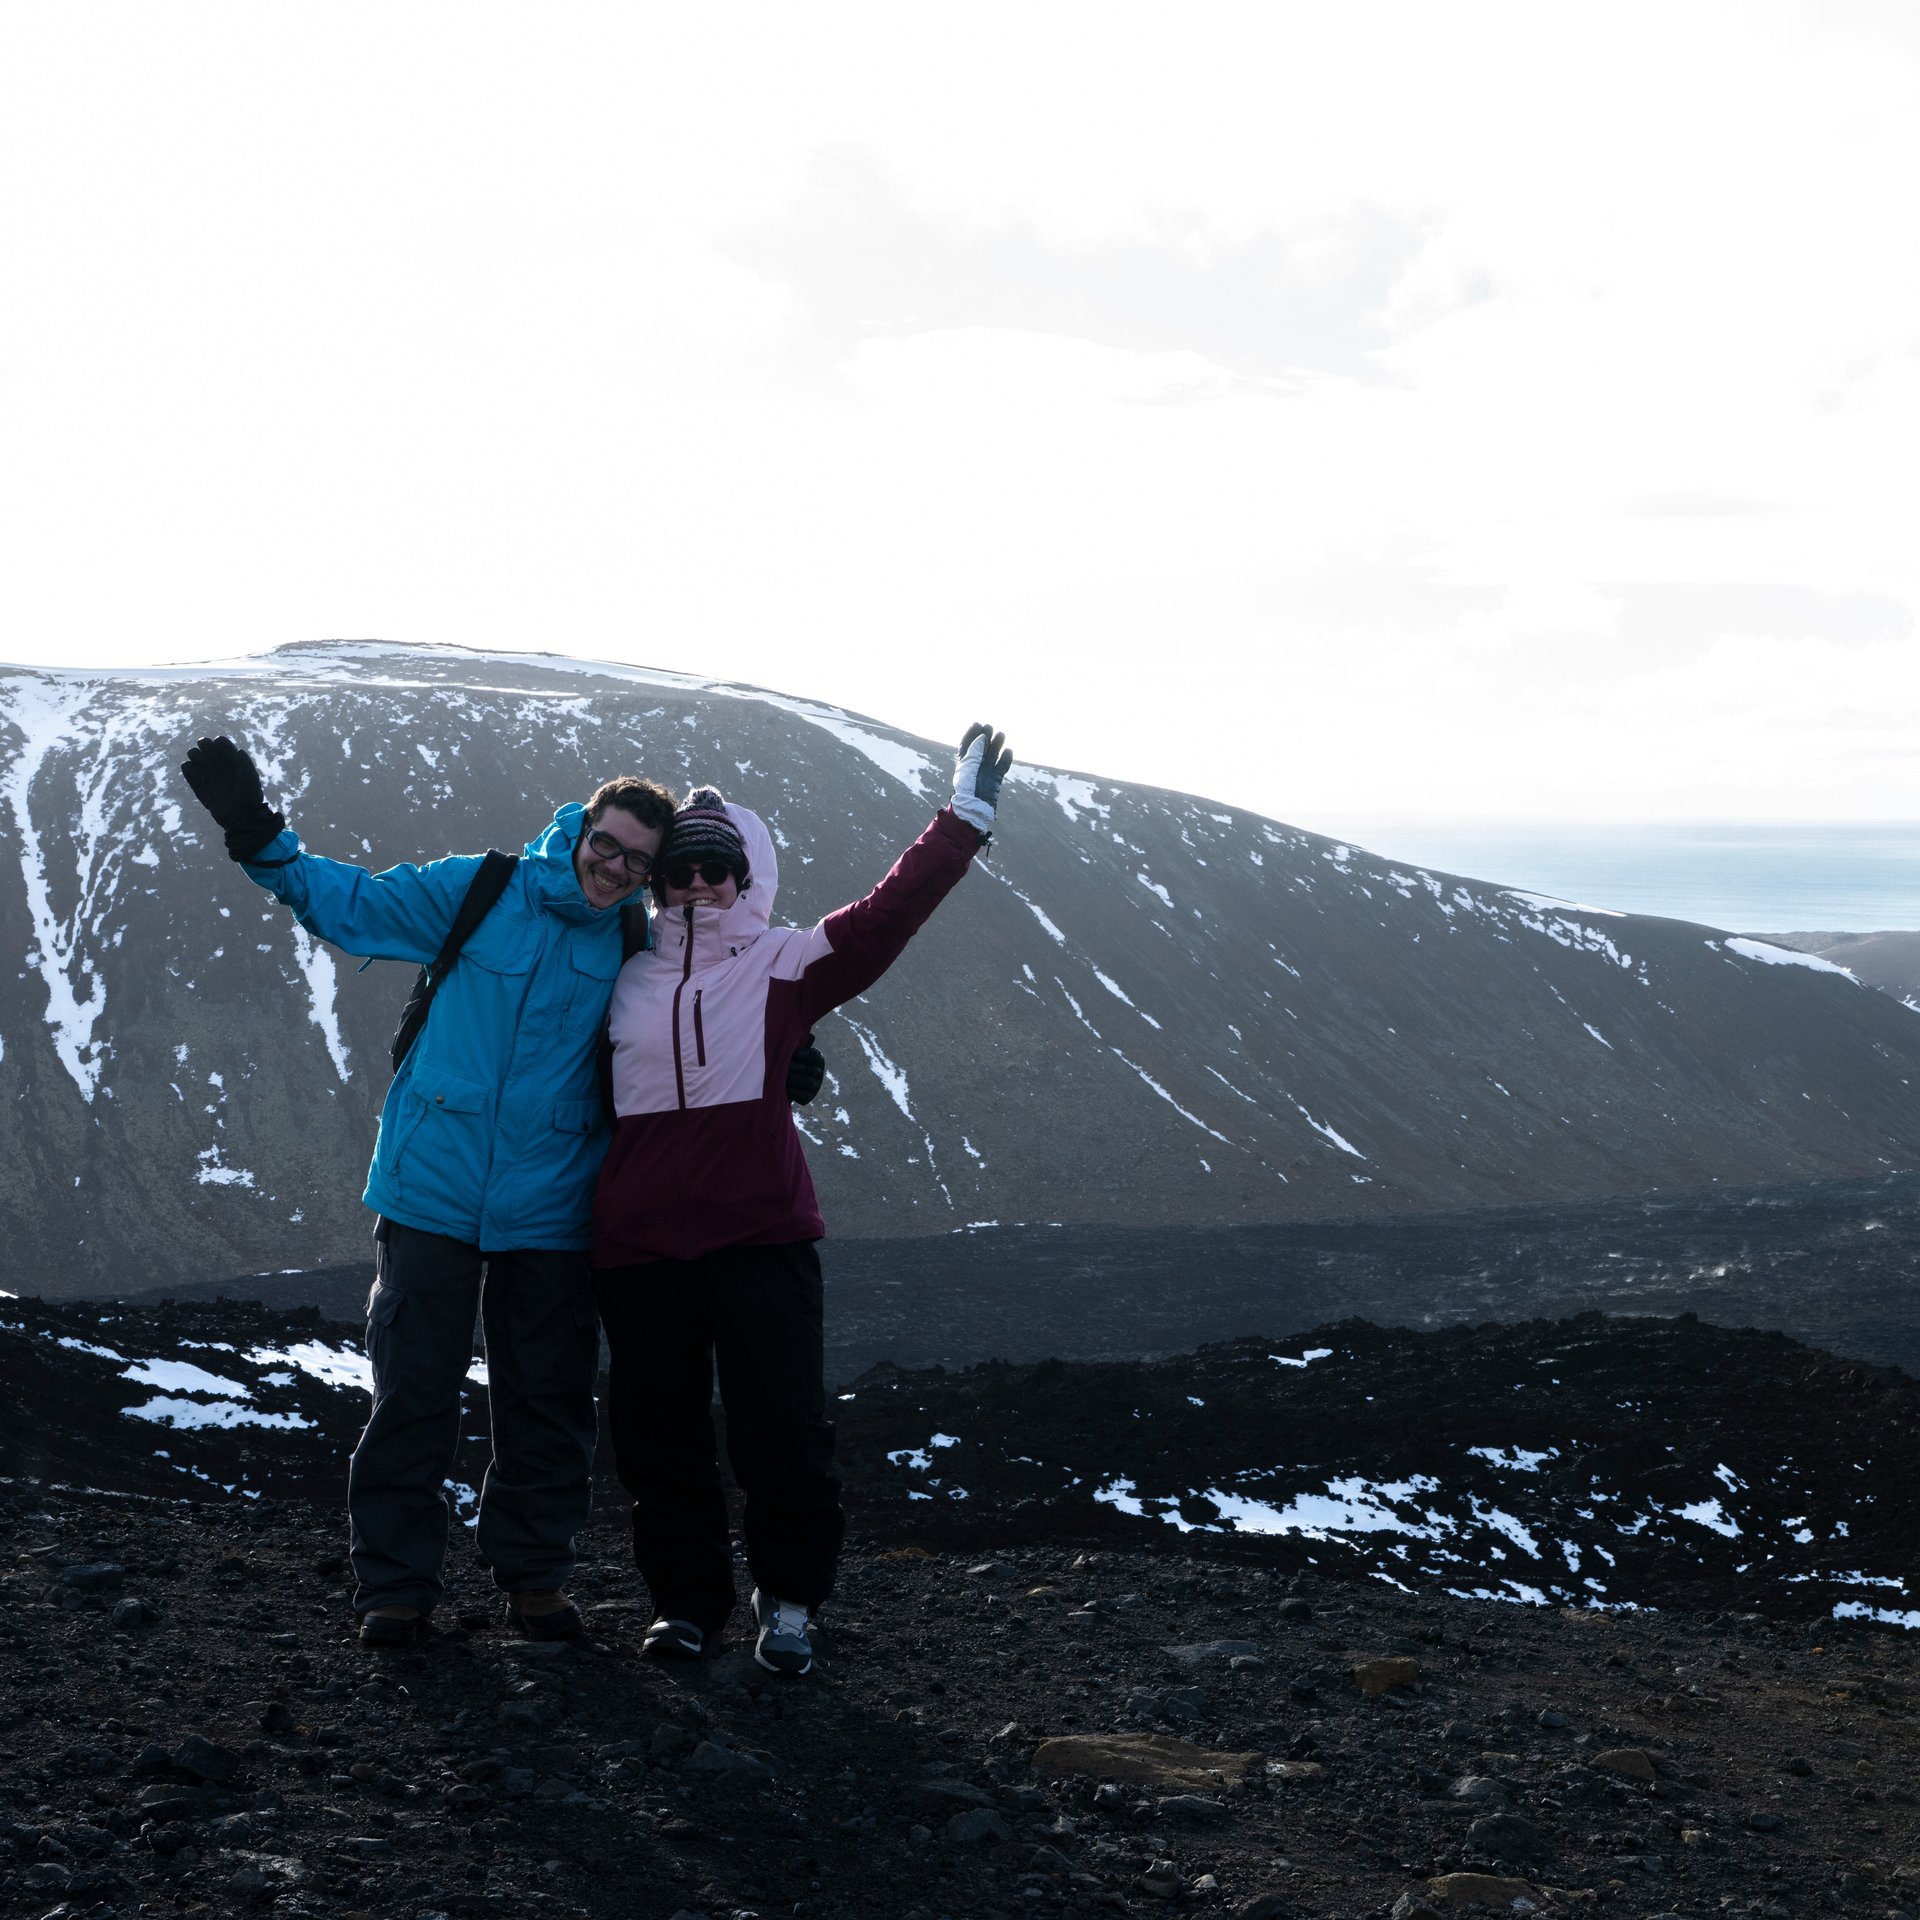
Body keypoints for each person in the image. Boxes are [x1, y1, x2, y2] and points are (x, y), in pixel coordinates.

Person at [178, 733, 675, 1647]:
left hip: (554, 1204)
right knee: (414, 1391)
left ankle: (534, 1584)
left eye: (637, 861)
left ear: (650, 874)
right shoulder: (482, 888)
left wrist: (785, 1057)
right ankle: (397, 1592)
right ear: (579, 831)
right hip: (431, 1190)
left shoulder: (639, 941)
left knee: (547, 1400)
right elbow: (356, 905)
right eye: (606, 845)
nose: (614, 868)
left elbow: (701, 1016)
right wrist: (257, 834)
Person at [592, 722, 1013, 1676]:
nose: (698, 886)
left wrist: (964, 821)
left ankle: (787, 1604)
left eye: (717, 870)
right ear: (657, 884)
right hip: (638, 1247)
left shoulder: (783, 963)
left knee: (781, 1428)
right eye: (681, 872)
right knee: (659, 1441)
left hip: (759, 1238)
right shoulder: (619, 980)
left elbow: (883, 917)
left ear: (746, 878)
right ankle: (685, 1605)